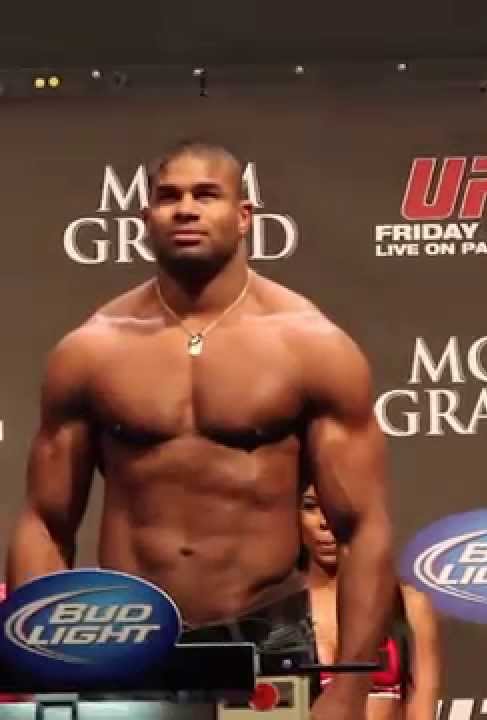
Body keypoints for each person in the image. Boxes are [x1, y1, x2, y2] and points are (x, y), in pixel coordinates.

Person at [5, 138, 396, 719]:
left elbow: (362, 529)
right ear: (147, 218)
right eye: (169, 197)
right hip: (125, 631)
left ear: (244, 217)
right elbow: (44, 520)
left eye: (206, 195)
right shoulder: (92, 350)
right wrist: (44, 663)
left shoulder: (311, 347)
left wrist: (350, 687)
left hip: (265, 631)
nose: (185, 209)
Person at [299, 483, 439, 720]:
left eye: (336, 508)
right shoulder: (279, 612)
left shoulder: (409, 604)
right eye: (311, 507)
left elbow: (421, 709)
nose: (325, 522)